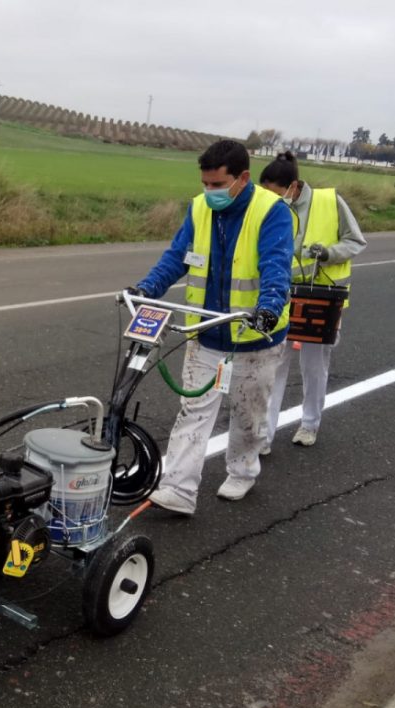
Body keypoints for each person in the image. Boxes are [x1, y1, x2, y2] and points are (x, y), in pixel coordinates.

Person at [128, 139, 293, 515]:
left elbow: (276, 266)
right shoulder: (200, 208)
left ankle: (242, 470)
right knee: (193, 409)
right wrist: (147, 289)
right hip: (207, 331)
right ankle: (179, 489)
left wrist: (268, 308)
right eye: (205, 184)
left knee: (248, 412)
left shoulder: (271, 212)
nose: (210, 192)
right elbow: (177, 257)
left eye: (218, 185)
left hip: (254, 335)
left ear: (242, 178)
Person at [258, 151, 366, 450]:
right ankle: (264, 436)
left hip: (321, 301)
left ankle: (309, 425)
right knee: (274, 365)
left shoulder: (330, 202)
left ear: (293, 186)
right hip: (282, 297)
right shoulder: (268, 208)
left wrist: (329, 253)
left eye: (276, 193)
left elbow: (356, 240)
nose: (271, 200)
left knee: (314, 366)